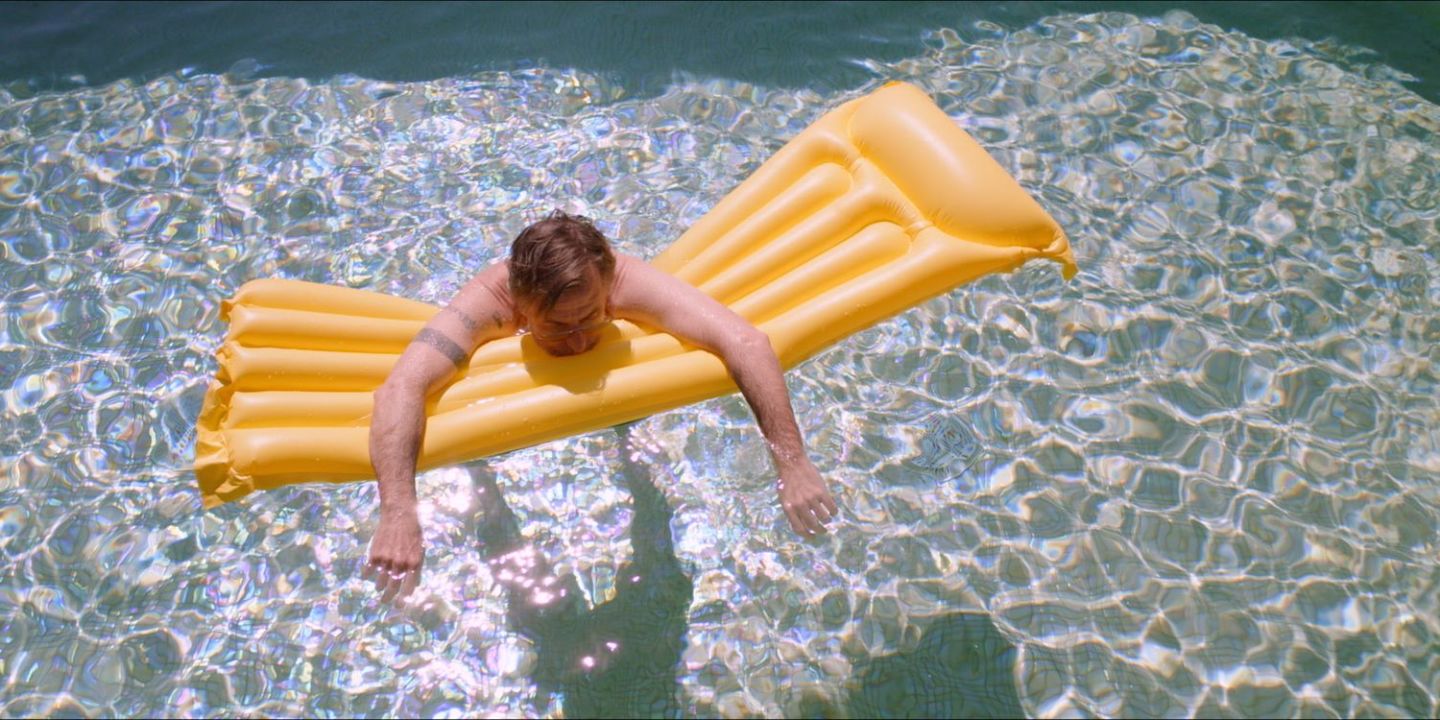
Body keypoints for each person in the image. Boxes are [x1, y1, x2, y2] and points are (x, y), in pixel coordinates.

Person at [363, 210, 839, 604]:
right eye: (556, 327)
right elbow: (400, 388)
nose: (578, 343)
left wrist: (792, 462)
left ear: (607, 286)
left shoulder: (623, 280)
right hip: (496, 408)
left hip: (619, 389)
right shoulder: (488, 302)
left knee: (631, 426)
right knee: (480, 454)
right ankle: (486, 485)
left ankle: (633, 461)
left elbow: (746, 342)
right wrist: (399, 512)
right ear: (520, 307)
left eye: (591, 318)